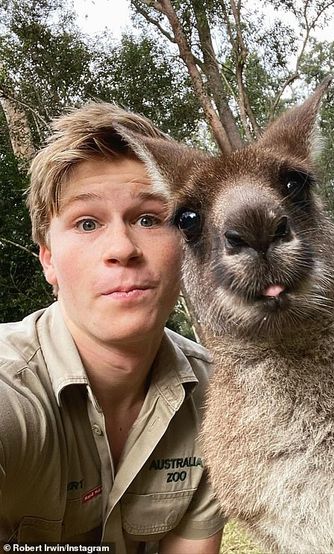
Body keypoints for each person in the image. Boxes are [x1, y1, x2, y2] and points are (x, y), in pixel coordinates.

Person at [0, 102, 225, 553]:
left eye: (149, 219)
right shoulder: (11, 388)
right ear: (48, 259)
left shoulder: (220, 402)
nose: (122, 248)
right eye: (87, 223)